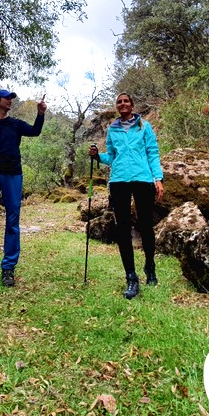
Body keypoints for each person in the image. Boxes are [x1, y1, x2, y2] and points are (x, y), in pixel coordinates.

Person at [89, 93, 164, 299]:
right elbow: (112, 156)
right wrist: (97, 157)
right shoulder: (112, 130)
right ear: (117, 106)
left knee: (146, 225)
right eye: (119, 102)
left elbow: (153, 153)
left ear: (132, 105)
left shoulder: (144, 127)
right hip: (119, 180)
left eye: (126, 101)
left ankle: (150, 266)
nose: (122, 104)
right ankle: (131, 277)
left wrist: (158, 178)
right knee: (122, 229)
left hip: (143, 178)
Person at [0, 89, 47, 287]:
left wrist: (40, 114)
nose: (10, 101)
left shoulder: (15, 124)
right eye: (7, 98)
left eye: (11, 98)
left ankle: (8, 268)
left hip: (13, 175)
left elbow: (35, 131)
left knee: (12, 221)